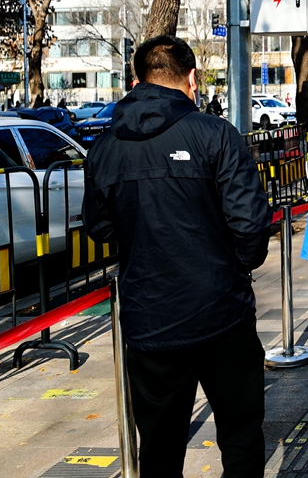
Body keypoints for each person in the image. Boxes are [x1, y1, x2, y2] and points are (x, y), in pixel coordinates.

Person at [83, 35, 272, 478]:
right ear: (192, 79)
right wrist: (234, 266)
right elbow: (250, 223)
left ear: (136, 80)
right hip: (221, 310)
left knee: (160, 447)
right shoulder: (215, 134)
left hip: (150, 315)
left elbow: (99, 227)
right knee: (241, 438)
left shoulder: (105, 148)